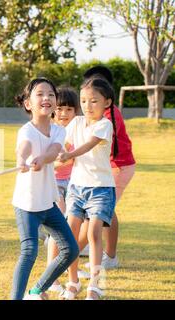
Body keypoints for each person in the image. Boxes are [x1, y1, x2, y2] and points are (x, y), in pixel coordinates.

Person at [11, 78, 79, 300]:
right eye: (40, 94)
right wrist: (22, 158)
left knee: (70, 250)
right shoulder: (26, 130)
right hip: (27, 203)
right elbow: (25, 146)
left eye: (50, 94)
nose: (46, 98)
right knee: (29, 252)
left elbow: (54, 151)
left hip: (48, 203)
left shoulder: (59, 131)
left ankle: (36, 291)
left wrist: (42, 158)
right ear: (28, 104)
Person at [58, 77, 117, 300]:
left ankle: (96, 283)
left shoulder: (104, 124)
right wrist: (49, 156)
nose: (87, 105)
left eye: (94, 101)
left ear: (107, 103)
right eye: (83, 100)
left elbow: (87, 145)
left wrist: (68, 155)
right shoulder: (75, 123)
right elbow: (62, 143)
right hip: (77, 188)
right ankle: (73, 282)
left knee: (93, 233)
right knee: (70, 234)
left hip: (100, 189)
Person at [78, 66, 136, 269]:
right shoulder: (95, 114)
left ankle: (106, 256)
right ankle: (101, 252)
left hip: (118, 167)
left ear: (106, 95)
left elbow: (99, 142)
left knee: (102, 210)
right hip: (108, 168)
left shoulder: (110, 116)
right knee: (105, 210)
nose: (89, 99)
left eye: (95, 93)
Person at [45, 87, 89, 294]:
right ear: (53, 109)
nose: (64, 113)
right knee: (59, 226)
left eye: (69, 109)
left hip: (77, 184)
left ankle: (71, 266)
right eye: (60, 108)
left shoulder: (80, 130)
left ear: (76, 111)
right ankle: (51, 278)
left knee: (79, 228)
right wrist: (63, 159)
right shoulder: (51, 132)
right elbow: (49, 163)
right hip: (55, 185)